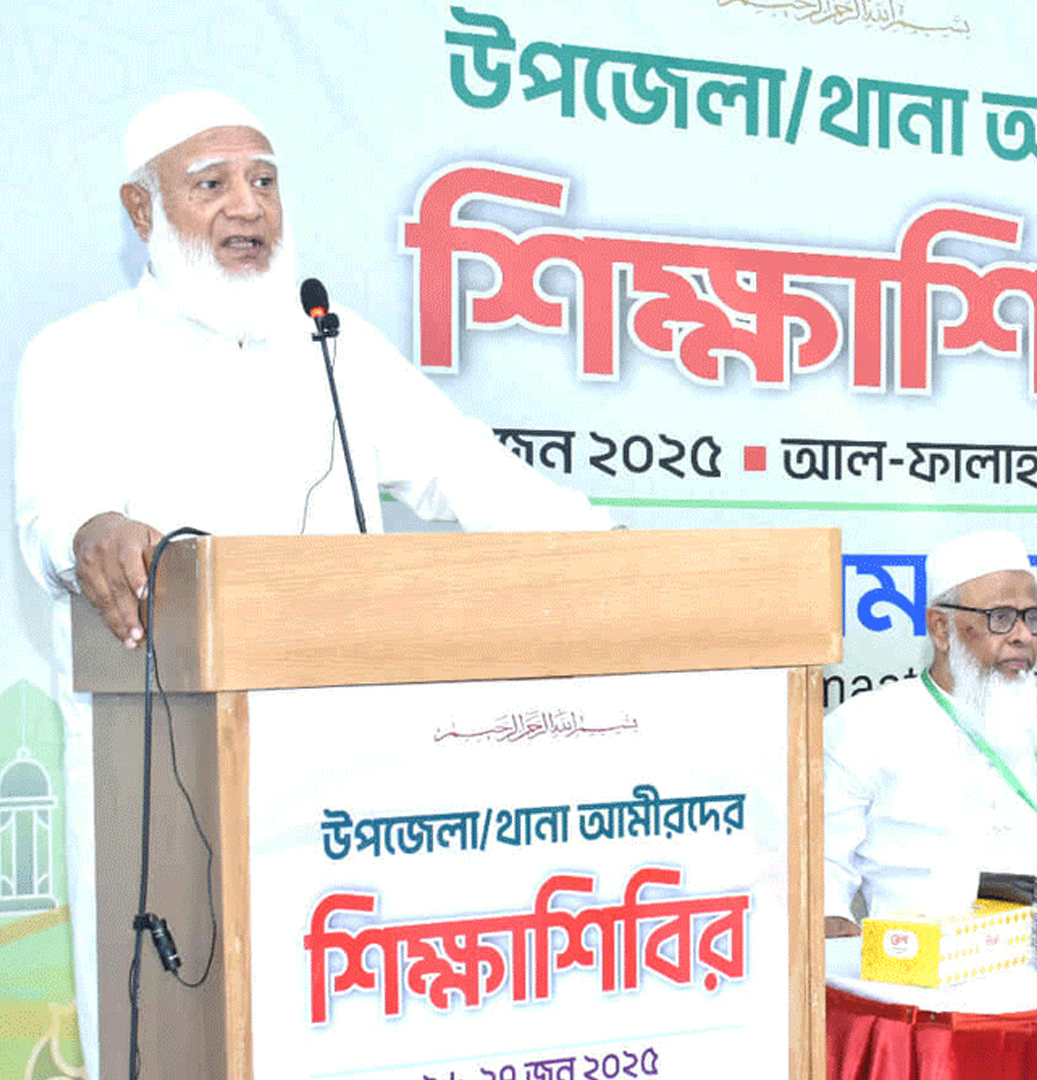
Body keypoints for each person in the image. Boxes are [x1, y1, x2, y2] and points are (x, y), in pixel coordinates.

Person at [12, 90, 611, 1072]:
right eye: (211, 184)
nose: (248, 206)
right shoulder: (78, 353)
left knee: (348, 1024)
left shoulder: (334, 343)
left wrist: (605, 544)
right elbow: (52, 516)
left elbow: (463, 465)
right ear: (141, 209)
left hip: (349, 758)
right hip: (164, 761)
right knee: (185, 1035)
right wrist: (92, 531)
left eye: (264, 180)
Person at [823, 530, 1037, 936]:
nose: (1023, 636)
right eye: (1001, 618)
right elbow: (822, 869)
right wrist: (832, 926)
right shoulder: (866, 726)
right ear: (941, 629)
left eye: (1031, 618)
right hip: (917, 960)